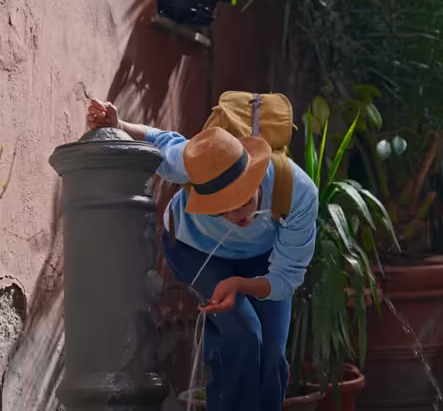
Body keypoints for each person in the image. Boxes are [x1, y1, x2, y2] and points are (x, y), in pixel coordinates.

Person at [86, 98, 318, 411]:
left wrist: (240, 284)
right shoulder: (192, 162)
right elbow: (161, 141)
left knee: (272, 355)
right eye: (223, 210)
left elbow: (287, 276)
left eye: (245, 201)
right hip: (193, 248)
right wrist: (119, 126)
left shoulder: (297, 192)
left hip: (262, 260)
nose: (239, 217)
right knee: (243, 334)